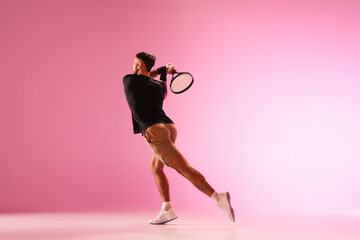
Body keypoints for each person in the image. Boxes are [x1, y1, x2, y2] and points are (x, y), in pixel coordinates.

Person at [123, 52, 235, 224]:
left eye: (134, 62)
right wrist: (163, 72)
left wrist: (162, 70)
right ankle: (167, 209)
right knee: (155, 167)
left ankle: (218, 197)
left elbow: (145, 75)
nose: (132, 65)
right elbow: (154, 81)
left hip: (155, 132)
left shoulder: (129, 81)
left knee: (183, 168)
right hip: (169, 127)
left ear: (138, 65)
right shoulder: (159, 88)